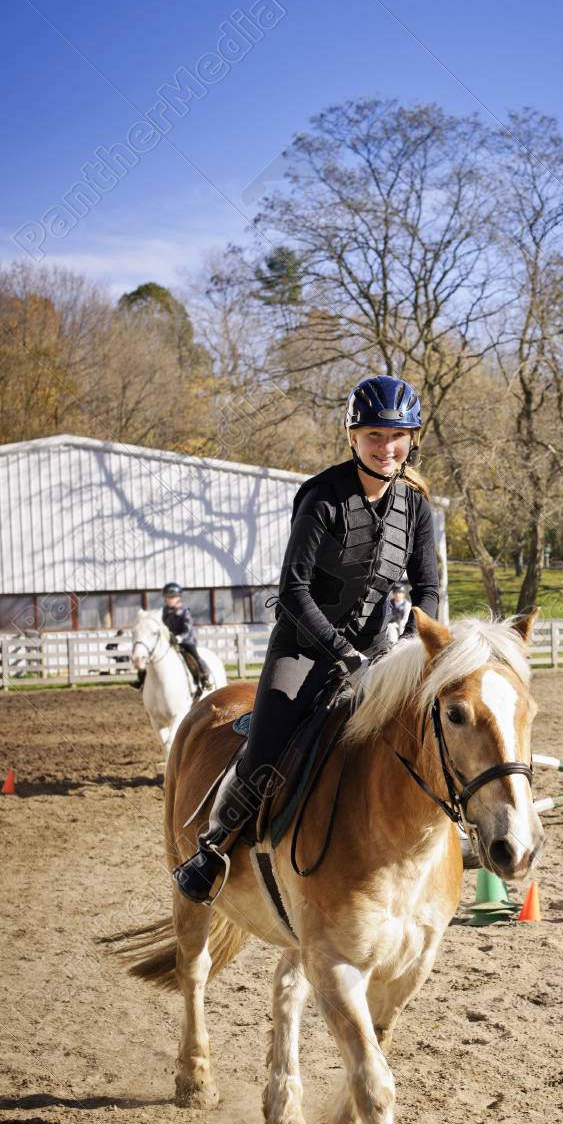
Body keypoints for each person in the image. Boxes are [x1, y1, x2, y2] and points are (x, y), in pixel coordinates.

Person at [172, 375, 440, 903]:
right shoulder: (322, 497)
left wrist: (410, 650)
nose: (387, 447)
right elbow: (292, 591)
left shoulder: (416, 507)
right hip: (303, 649)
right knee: (265, 751)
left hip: (378, 654)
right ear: (352, 437)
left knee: (426, 735)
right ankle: (211, 849)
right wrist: (344, 655)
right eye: (374, 436)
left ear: (411, 438)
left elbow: (427, 588)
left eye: (397, 436)